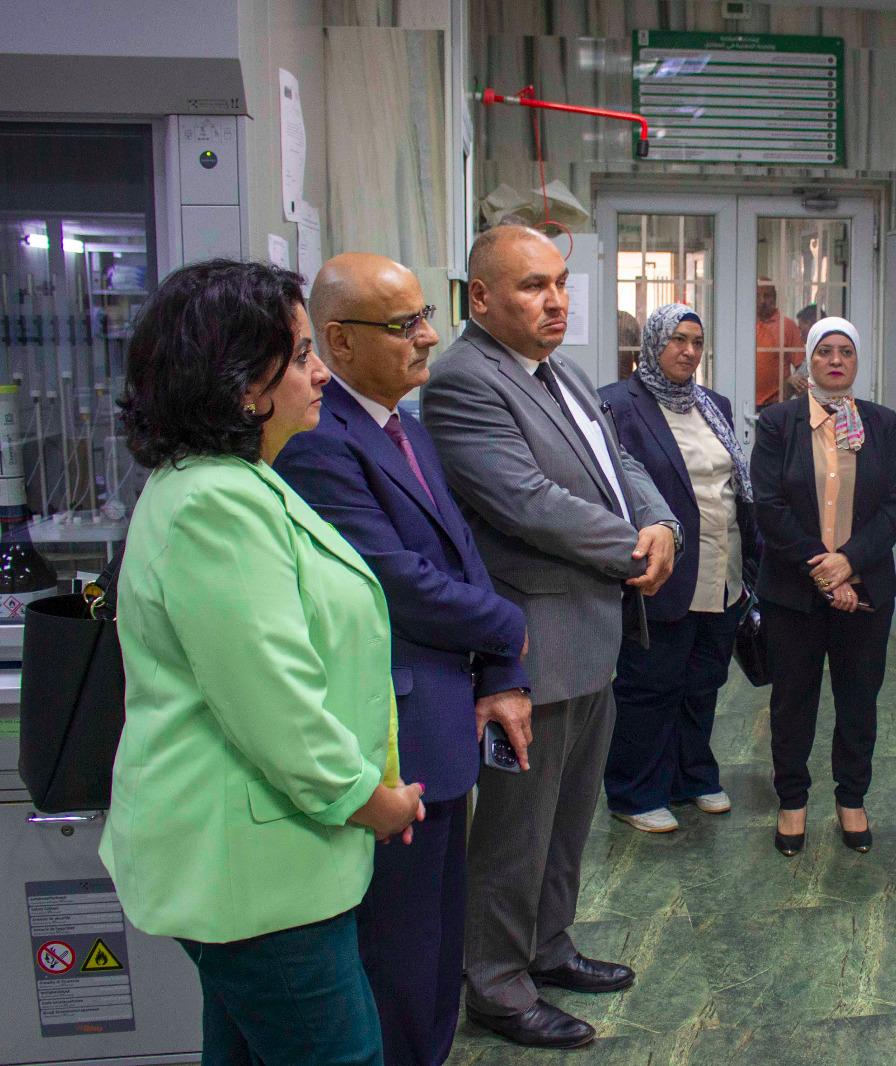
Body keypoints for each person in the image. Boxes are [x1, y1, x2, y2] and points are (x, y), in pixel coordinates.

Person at [104, 259, 424, 1065]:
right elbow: (274, 702)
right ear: (246, 385)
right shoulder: (217, 504)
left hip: (257, 864)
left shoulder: (239, 484)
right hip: (256, 874)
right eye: (303, 353)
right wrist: (368, 801)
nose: (321, 373)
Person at [421, 225, 679, 1051]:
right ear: (481, 297)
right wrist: (632, 547)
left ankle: (547, 946)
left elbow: (619, 463)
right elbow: (525, 500)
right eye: (533, 286)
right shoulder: (463, 380)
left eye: (561, 283)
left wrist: (662, 522)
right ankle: (496, 986)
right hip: (530, 646)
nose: (556, 300)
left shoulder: (558, 370)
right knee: (516, 833)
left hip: (592, 634)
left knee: (567, 821)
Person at [274, 253, 532, 1066]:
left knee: (437, 948)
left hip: (445, 726)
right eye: (404, 324)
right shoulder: (319, 443)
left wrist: (503, 670)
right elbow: (397, 583)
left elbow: (461, 553)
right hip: (392, 739)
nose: (427, 337)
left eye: (426, 316)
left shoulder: (405, 427)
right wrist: (512, 624)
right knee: (399, 957)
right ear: (339, 342)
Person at [752, 316, 896, 856]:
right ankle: (792, 802)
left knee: (859, 701)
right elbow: (769, 506)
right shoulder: (778, 422)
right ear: (809, 359)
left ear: (857, 361)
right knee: (792, 703)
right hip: (793, 595)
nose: (836, 360)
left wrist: (850, 562)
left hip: (865, 593)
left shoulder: (882, 423)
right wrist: (825, 572)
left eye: (846, 351)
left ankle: (852, 800)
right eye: (825, 351)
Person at [598, 303, 758, 832]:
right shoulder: (617, 404)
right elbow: (615, 488)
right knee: (650, 684)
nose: (689, 352)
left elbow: (732, 485)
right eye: (678, 340)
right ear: (653, 343)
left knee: (704, 680)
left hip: (722, 566)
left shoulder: (714, 404)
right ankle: (634, 791)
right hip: (662, 571)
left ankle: (693, 776)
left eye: (697, 342)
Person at [754, 277, 805, 408]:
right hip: (743, 400)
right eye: (758, 295)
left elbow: (803, 369)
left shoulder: (787, 326)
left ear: (775, 297)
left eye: (767, 296)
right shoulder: (743, 325)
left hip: (776, 405)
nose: (762, 301)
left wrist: (787, 393)